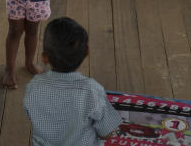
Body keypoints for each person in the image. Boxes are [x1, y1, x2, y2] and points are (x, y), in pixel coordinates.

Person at [23, 17, 122, 145]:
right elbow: (106, 133)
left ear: (45, 58)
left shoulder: (33, 86)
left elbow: (30, 114)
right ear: (87, 52)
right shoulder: (92, 91)